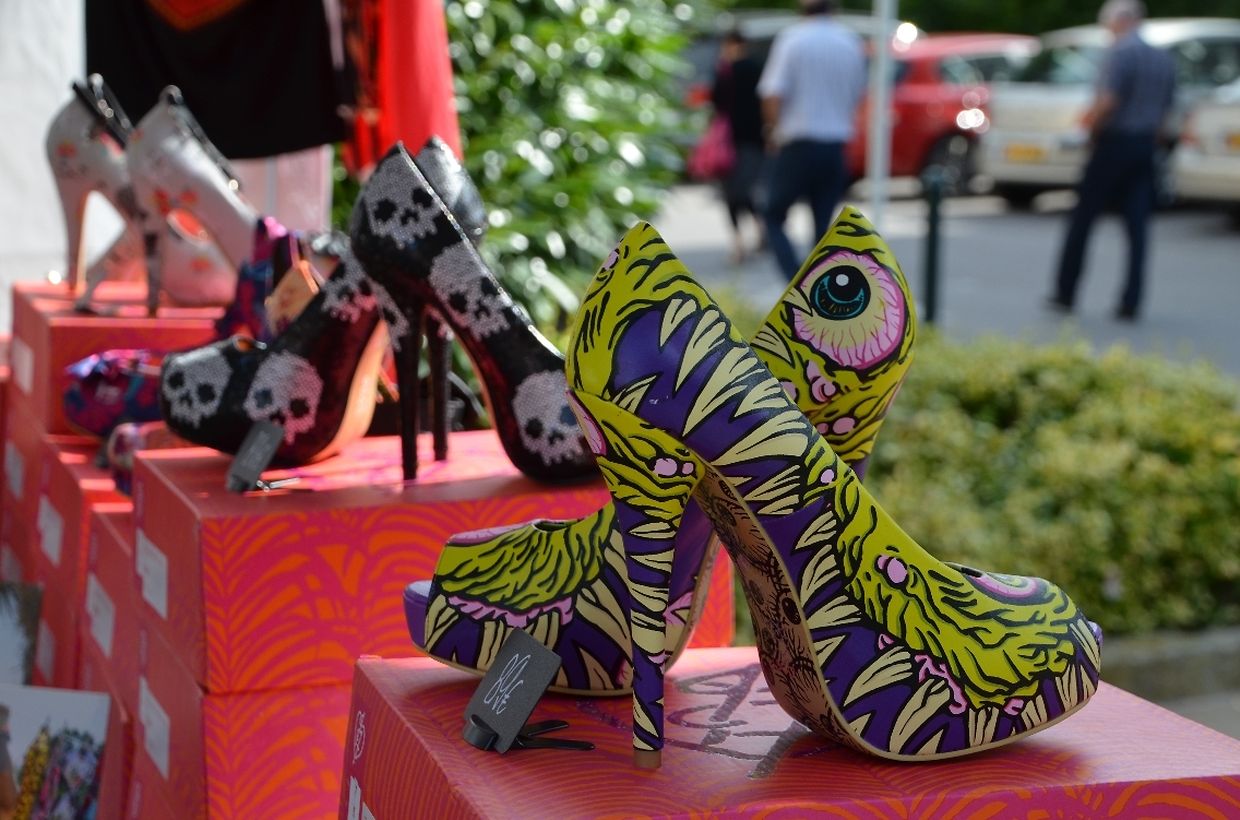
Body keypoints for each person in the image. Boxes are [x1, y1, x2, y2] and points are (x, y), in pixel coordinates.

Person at [1049, 0, 1176, 321]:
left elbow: (1108, 101)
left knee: (1083, 221)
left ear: (1119, 22)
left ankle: (1066, 292)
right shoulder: (1162, 57)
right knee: (1137, 229)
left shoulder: (1120, 53)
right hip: (1145, 147)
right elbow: (1166, 113)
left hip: (1114, 144)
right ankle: (1131, 300)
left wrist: (1089, 132)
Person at [757, 0, 866, 280]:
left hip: (798, 143)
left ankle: (795, 280)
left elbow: (772, 92)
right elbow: (858, 92)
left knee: (772, 214)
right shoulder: (849, 41)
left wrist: (772, 131)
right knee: (823, 230)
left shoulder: (793, 39)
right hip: (834, 146)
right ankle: (817, 289)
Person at [710, 29, 766, 265]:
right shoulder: (756, 68)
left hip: (729, 141)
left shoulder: (726, 70)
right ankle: (758, 230)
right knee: (745, 190)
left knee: (732, 193)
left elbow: (716, 101)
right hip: (753, 139)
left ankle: (740, 241)